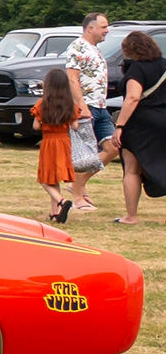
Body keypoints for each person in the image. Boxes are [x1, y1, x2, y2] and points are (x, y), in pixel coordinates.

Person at [66, 12, 120, 212]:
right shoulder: (77, 47)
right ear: (91, 28)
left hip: (100, 106)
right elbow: (72, 78)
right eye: (104, 27)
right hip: (86, 108)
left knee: (113, 148)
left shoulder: (95, 49)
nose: (107, 30)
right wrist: (81, 106)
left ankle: (76, 185)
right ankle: (78, 197)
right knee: (84, 155)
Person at [112, 31, 166, 224]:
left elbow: (133, 97)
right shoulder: (164, 65)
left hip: (140, 123)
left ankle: (131, 216)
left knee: (132, 169)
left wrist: (120, 125)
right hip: (163, 119)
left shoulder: (136, 70)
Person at [31, 68, 79, 223]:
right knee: (54, 178)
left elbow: (36, 126)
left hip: (49, 142)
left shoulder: (43, 104)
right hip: (64, 142)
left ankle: (61, 201)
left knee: (45, 179)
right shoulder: (69, 104)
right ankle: (55, 213)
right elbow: (76, 125)